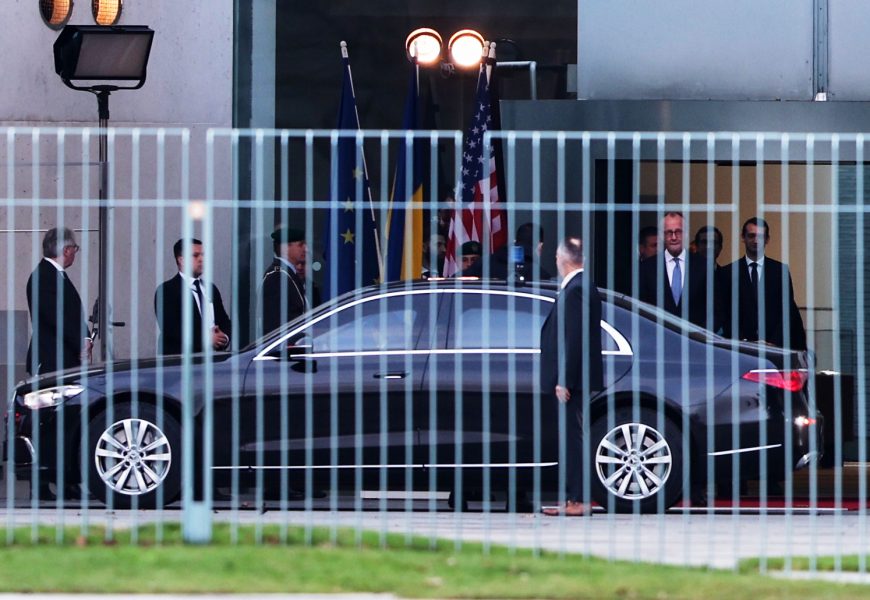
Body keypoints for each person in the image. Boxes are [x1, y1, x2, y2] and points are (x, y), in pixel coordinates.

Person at [539, 237, 603, 517]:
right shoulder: (580, 286)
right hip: (575, 377)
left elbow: (574, 338)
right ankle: (572, 498)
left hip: (573, 380)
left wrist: (564, 379)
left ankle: (578, 499)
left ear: (561, 258)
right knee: (572, 437)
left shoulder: (576, 289)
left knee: (573, 439)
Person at [718, 217, 806, 350]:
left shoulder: (779, 271)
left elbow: (787, 310)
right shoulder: (728, 273)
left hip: (774, 347)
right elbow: (725, 313)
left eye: (760, 236)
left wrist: (774, 342)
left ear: (767, 239)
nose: (755, 240)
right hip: (741, 348)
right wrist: (742, 341)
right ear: (743, 238)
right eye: (751, 236)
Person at [25, 227, 92, 375]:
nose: (75, 252)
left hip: (64, 359)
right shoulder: (43, 276)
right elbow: (54, 317)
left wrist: (86, 337)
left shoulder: (56, 274)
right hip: (51, 360)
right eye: (75, 248)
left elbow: (74, 313)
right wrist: (80, 342)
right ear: (66, 250)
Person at [639, 212, 715, 330]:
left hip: (696, 338)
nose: (674, 237)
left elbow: (716, 308)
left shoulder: (704, 266)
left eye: (678, 232)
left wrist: (701, 335)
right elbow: (640, 309)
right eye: (669, 232)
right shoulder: (646, 268)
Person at [155, 238, 231, 355]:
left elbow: (224, 320)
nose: (202, 259)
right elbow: (171, 329)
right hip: (180, 360)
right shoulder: (167, 290)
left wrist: (224, 338)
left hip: (213, 359)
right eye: (195, 255)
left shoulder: (211, 289)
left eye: (203, 255)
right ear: (181, 260)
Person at [260, 226, 319, 333]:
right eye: (301, 245)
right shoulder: (277, 277)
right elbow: (275, 325)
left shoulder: (289, 275)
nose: (306, 249)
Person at [464, 222, 553, 280]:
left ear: (515, 241)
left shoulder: (484, 263)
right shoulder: (540, 276)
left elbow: (458, 281)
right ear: (540, 246)